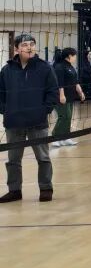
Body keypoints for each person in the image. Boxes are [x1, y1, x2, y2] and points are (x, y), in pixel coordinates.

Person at [0, 34, 58, 203]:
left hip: (37, 122)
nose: (30, 47)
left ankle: (46, 188)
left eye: (32, 44)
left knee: (43, 158)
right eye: (25, 45)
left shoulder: (45, 68)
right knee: (13, 160)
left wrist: (43, 111)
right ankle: (14, 190)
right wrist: (6, 111)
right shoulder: (7, 70)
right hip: (14, 123)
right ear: (17, 49)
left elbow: (53, 92)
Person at [51, 48, 84, 148]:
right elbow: (59, 83)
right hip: (61, 96)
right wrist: (61, 95)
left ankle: (65, 137)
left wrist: (81, 93)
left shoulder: (71, 67)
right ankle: (55, 137)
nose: (75, 57)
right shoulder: (59, 67)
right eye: (74, 55)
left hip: (70, 96)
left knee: (68, 117)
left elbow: (76, 82)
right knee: (64, 116)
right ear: (69, 56)